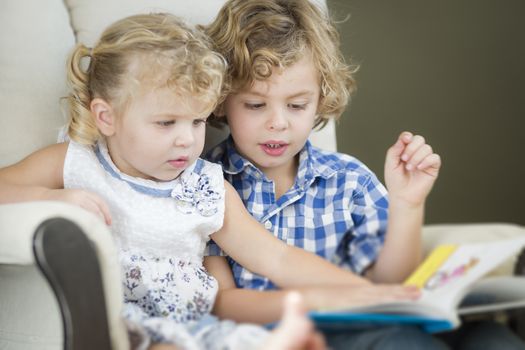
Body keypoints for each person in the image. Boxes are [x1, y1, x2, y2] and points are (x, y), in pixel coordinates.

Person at [0, 12, 423, 350]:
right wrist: (47, 199)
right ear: (106, 117)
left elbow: (275, 258)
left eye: (198, 120)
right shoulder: (74, 162)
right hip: (127, 326)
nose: (187, 139)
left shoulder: (204, 185)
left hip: (200, 327)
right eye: (166, 122)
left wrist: (364, 293)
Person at [201, 1, 525, 349]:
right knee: (400, 341)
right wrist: (328, 299)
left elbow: (390, 284)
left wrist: (407, 204)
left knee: (494, 338)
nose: (278, 122)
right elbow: (223, 305)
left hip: (370, 322)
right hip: (291, 335)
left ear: (321, 98)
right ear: (221, 97)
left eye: (297, 105)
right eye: (255, 105)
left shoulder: (348, 179)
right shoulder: (207, 186)